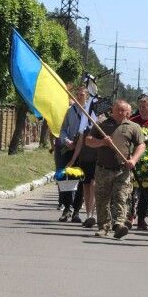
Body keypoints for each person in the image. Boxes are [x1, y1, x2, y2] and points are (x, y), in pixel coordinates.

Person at [86, 100, 145, 239]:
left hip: (122, 169)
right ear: (112, 109)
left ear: (128, 112)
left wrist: (134, 160)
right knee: (102, 199)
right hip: (103, 169)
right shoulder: (102, 124)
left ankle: (118, 224)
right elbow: (88, 140)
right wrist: (102, 142)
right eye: (117, 109)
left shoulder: (133, 127)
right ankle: (103, 227)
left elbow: (141, 146)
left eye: (123, 110)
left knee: (121, 197)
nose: (120, 112)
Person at [56, 87, 89, 222]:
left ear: (87, 96)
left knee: (81, 180)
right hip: (69, 149)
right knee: (67, 179)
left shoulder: (90, 111)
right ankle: (67, 209)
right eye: (78, 94)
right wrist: (66, 141)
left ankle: (76, 210)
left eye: (82, 94)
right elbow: (63, 129)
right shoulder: (70, 110)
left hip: (85, 150)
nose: (80, 96)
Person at [130, 97, 148, 230]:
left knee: (146, 192)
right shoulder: (132, 122)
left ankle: (141, 218)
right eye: (140, 106)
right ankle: (130, 216)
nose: (141, 109)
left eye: (144, 106)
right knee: (131, 191)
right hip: (133, 161)